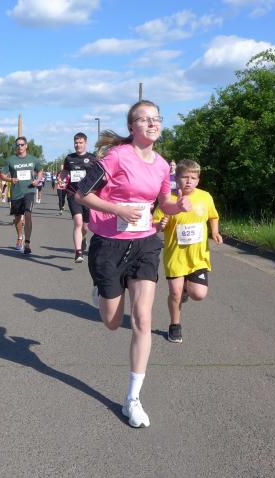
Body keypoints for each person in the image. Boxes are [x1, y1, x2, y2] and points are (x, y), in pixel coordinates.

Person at [75, 100, 191, 428]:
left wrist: (177, 206)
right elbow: (82, 194)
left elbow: (163, 202)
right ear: (131, 127)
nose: (153, 124)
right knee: (113, 322)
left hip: (145, 244)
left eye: (156, 118)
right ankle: (101, 289)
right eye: (145, 119)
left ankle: (133, 399)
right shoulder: (116, 157)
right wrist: (118, 210)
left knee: (142, 319)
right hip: (109, 245)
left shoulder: (163, 165)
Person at [153, 159, 222, 343]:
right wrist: (160, 225)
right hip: (175, 256)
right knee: (175, 294)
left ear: (198, 180)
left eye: (193, 178)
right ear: (176, 179)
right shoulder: (168, 200)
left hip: (198, 257)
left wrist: (215, 232)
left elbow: (213, 216)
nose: (189, 181)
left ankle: (186, 289)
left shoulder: (205, 197)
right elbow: (154, 224)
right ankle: (175, 325)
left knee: (199, 294)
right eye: (185, 177)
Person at [2, 136, 44, 255]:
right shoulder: (10, 160)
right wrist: (10, 179)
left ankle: (27, 243)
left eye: (22, 144)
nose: (20, 146)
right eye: (18, 145)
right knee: (17, 218)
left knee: (28, 214)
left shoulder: (33, 159)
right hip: (16, 192)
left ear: (26, 146)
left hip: (29, 191)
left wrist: (37, 180)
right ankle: (20, 236)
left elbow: (40, 170)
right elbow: (2, 175)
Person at [62, 132, 96, 263]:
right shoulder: (69, 158)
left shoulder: (92, 158)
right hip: (73, 194)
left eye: (80, 142)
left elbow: (98, 175)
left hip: (88, 195)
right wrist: (62, 178)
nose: (78, 145)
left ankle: (82, 238)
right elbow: (65, 172)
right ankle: (78, 252)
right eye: (76, 143)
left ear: (85, 143)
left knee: (86, 227)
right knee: (78, 222)